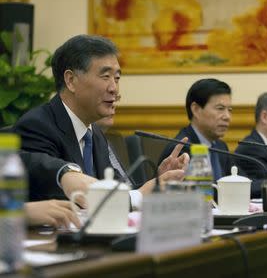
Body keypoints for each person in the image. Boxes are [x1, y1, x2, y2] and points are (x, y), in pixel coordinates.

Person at [13, 34, 188, 210]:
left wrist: (156, 183)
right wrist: (139, 195)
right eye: (105, 76)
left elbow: (117, 191)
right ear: (71, 80)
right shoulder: (37, 126)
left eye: (117, 78)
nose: (114, 88)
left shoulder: (93, 132)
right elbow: (71, 197)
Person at [159, 78, 234, 180]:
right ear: (196, 109)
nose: (227, 116)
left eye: (229, 110)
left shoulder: (221, 147)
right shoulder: (182, 150)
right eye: (220, 108)